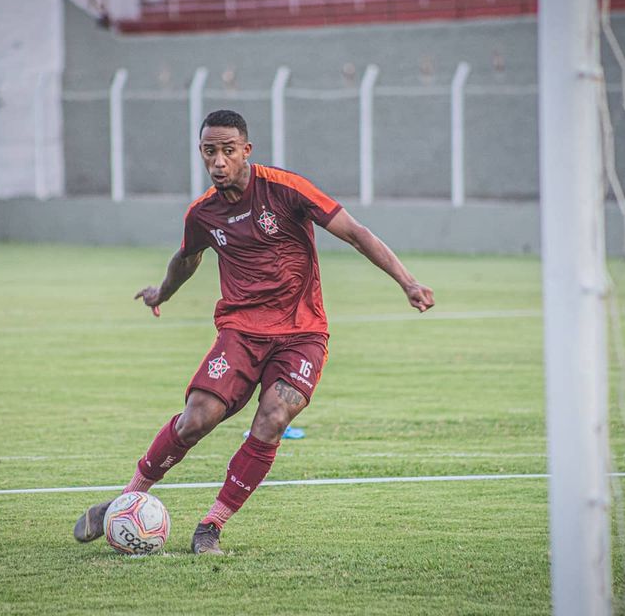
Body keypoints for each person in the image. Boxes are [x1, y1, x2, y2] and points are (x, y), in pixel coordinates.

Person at [73, 109, 434, 555]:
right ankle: (126, 499)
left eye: (228, 151)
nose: (219, 161)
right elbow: (186, 260)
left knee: (273, 417)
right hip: (241, 332)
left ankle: (211, 525)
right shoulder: (203, 214)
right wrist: (161, 294)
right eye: (210, 152)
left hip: (302, 333)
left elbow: (355, 233)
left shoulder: (286, 190)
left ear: (246, 150)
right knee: (195, 419)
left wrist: (408, 281)